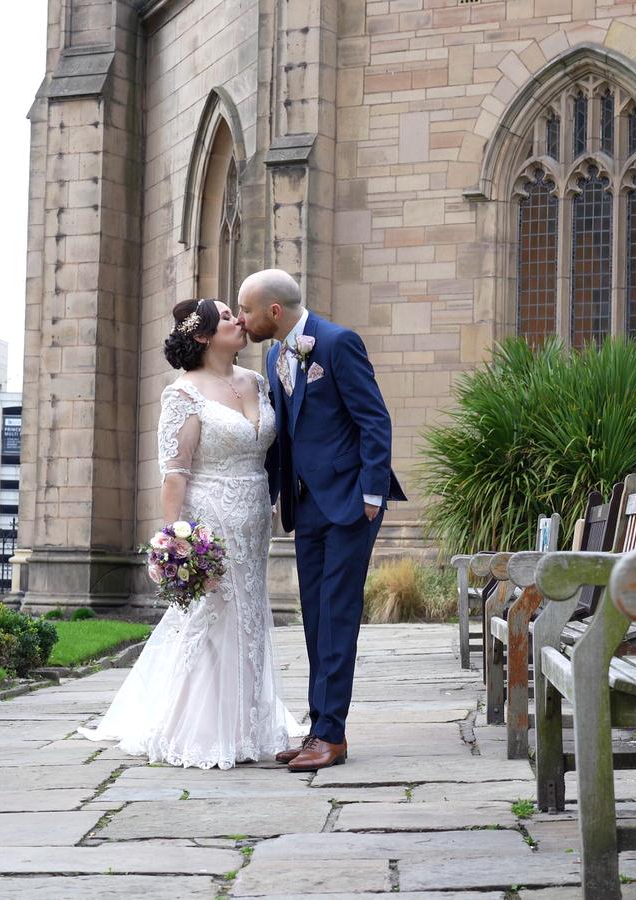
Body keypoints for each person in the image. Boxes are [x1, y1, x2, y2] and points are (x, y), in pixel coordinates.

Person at [78, 298, 301, 768]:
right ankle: (201, 728)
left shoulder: (258, 381)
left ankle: (249, 722)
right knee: (213, 615)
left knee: (250, 617)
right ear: (201, 336)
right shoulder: (183, 395)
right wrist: (175, 542)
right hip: (211, 517)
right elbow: (175, 473)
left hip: (255, 515)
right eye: (226, 317)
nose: (239, 320)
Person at [238, 269, 405, 772]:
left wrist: (371, 494)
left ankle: (332, 735)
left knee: (336, 615)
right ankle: (319, 728)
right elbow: (287, 436)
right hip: (306, 504)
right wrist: (273, 495)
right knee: (315, 617)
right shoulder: (274, 354)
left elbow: (373, 418)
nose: (241, 320)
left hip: (351, 503)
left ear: (273, 311)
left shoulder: (336, 343)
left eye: (246, 310)